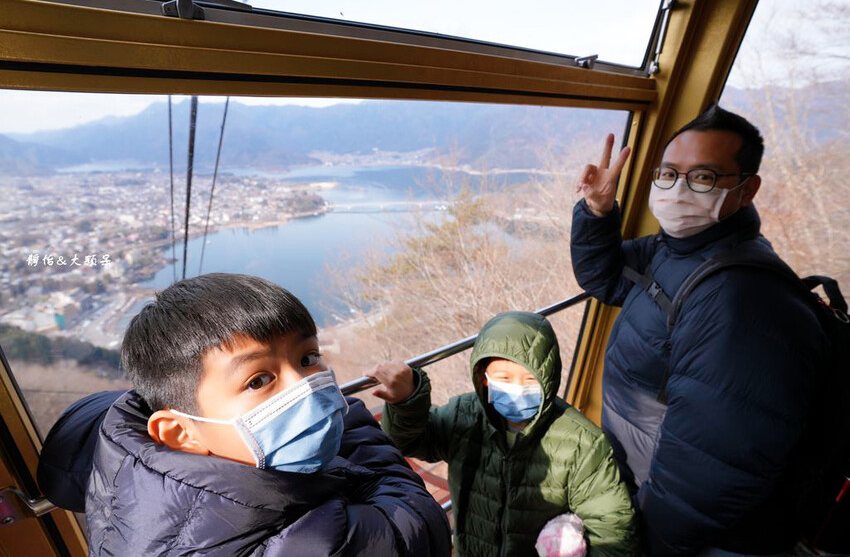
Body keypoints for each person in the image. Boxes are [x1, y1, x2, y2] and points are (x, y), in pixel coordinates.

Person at [39, 273, 451, 556]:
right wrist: (349, 417)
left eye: (308, 358)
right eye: (258, 380)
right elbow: (414, 521)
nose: (306, 387)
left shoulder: (143, 493)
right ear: (180, 432)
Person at [570, 105, 828, 556]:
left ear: (747, 190)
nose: (677, 189)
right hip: (641, 484)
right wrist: (598, 210)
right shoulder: (676, 251)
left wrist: (642, 542)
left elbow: (708, 471)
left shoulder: (740, 301)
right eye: (668, 173)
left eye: (703, 177)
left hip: (688, 531)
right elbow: (605, 278)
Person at [368, 310, 638, 557]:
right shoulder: (464, 415)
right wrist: (407, 401)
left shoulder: (582, 443)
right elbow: (409, 442)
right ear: (483, 376)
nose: (518, 389)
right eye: (505, 379)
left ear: (549, 378)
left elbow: (613, 528)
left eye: (530, 379)